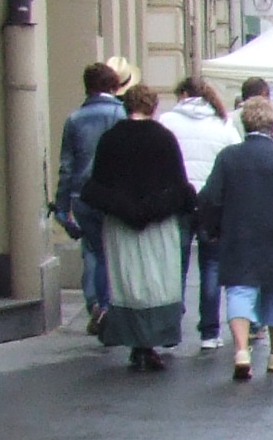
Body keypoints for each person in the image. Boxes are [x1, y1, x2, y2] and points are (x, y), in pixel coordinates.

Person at [78, 85, 197, 371]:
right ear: (153, 107)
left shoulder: (111, 139)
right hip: (158, 224)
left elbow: (98, 185)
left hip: (120, 223)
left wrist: (125, 208)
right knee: (157, 281)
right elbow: (177, 185)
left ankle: (135, 342)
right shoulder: (164, 138)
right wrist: (154, 208)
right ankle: (151, 341)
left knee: (126, 282)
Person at [198, 94, 273, 380]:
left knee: (239, 290)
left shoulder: (228, 158)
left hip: (239, 233)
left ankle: (241, 350)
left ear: (244, 123)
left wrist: (212, 230)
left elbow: (211, 198)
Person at [162, 76, 239, 350]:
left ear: (183, 94)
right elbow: (234, 160)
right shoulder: (223, 124)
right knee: (211, 266)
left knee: (176, 265)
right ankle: (209, 332)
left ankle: (170, 327)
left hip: (177, 201)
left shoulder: (167, 122)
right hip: (212, 203)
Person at [55, 57, 129, 325]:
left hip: (82, 195)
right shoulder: (120, 115)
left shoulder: (74, 119)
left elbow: (66, 167)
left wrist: (61, 206)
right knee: (112, 252)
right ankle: (108, 305)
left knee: (92, 250)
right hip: (113, 194)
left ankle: (94, 303)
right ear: (113, 86)